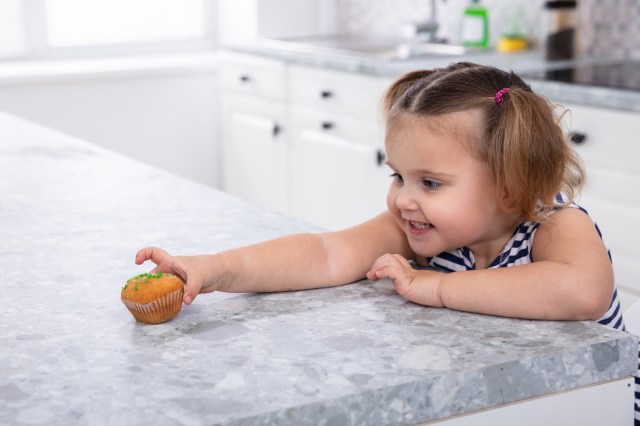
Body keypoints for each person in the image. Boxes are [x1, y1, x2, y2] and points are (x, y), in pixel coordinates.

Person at [135, 62, 636, 422]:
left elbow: (580, 292)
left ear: (509, 188)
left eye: (430, 183)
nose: (404, 200)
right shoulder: (423, 230)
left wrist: (435, 288)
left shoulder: (555, 224)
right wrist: (214, 269)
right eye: (399, 176)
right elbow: (326, 253)